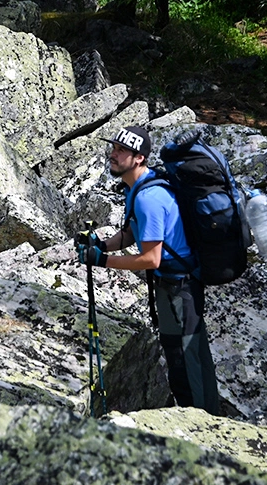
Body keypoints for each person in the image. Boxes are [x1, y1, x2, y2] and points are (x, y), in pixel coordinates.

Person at [75, 125, 220, 414]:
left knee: (190, 359)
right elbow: (131, 233)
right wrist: (101, 245)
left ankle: (208, 422)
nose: (113, 155)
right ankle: (187, 413)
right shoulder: (139, 186)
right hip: (168, 285)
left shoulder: (148, 198)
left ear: (139, 158)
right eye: (113, 148)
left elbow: (150, 259)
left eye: (121, 151)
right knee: (175, 355)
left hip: (182, 289)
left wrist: (101, 261)